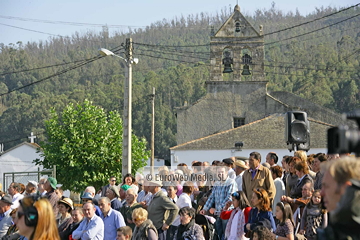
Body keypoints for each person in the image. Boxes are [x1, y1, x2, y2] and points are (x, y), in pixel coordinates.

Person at [200, 162, 237, 240]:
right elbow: (211, 197)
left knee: (226, 235)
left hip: (227, 214)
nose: (220, 174)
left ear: (226, 172)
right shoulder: (217, 183)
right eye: (218, 172)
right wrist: (205, 208)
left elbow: (229, 199)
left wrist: (217, 209)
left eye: (222, 172)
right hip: (218, 215)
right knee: (218, 235)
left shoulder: (231, 183)